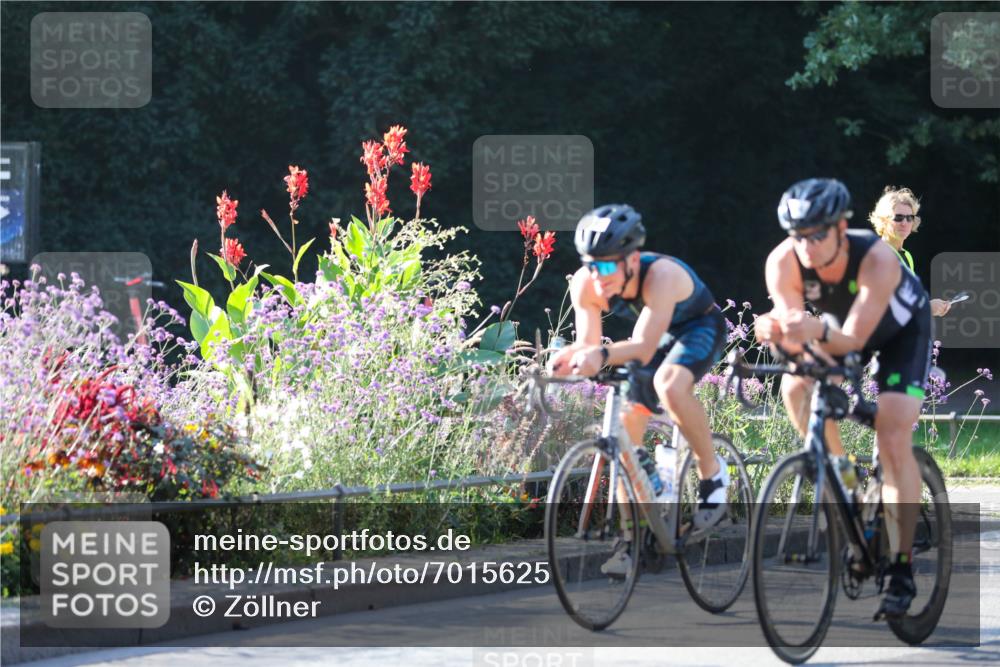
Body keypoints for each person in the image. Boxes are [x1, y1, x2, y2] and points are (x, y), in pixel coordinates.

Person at [754, 178, 931, 620]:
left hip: (901, 332)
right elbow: (794, 324)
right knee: (795, 384)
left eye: (818, 234)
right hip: (839, 327)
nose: (808, 247)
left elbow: (853, 338)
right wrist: (777, 331)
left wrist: (810, 330)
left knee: (892, 435)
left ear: (841, 227)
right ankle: (845, 473)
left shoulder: (874, 257)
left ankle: (901, 567)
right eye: (799, 236)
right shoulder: (783, 261)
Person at [547, 203, 730, 573]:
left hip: (698, 327)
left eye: (608, 265)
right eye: (591, 265)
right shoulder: (586, 283)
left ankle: (713, 475)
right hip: (653, 334)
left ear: (632, 259)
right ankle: (633, 543)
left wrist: (599, 354)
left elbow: (643, 348)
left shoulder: (660, 275)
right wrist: (566, 358)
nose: (599, 277)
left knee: (670, 385)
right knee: (625, 437)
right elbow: (590, 342)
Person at [869, 186, 951, 317]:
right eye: (898, 218)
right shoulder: (878, 256)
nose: (904, 223)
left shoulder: (906, 256)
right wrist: (927, 308)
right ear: (884, 220)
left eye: (909, 218)